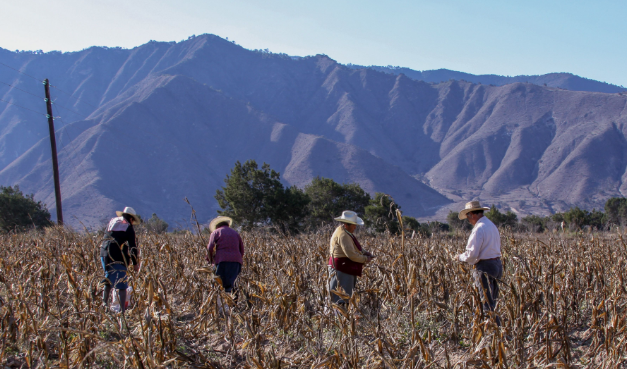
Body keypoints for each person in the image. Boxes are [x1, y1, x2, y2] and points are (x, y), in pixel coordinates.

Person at [454, 201, 502, 324]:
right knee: (493, 302)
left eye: (468, 217)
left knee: (486, 303)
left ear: (472, 214)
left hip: (485, 267)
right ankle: (495, 332)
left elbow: (472, 254)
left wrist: (459, 257)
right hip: (497, 265)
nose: (469, 220)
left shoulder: (479, 229)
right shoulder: (491, 225)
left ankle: (495, 331)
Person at [328, 210, 374, 305]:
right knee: (341, 297)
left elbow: (355, 247)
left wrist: (365, 252)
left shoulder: (345, 231)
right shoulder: (343, 235)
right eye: (353, 225)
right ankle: (339, 316)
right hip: (341, 269)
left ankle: (343, 315)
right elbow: (352, 255)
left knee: (345, 294)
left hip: (344, 267)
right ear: (346, 225)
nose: (355, 227)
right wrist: (365, 259)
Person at [100, 206, 141, 312]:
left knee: (108, 279)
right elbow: (133, 248)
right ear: (131, 219)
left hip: (103, 253)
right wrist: (135, 264)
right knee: (122, 284)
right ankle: (122, 310)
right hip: (116, 255)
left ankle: (104, 305)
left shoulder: (112, 222)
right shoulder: (128, 227)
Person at [206, 216, 244, 295]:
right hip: (236, 261)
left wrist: (209, 259)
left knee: (218, 284)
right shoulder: (236, 233)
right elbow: (242, 250)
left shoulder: (216, 232)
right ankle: (233, 305)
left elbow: (210, 248)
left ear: (217, 226)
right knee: (234, 284)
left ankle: (221, 304)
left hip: (221, 261)